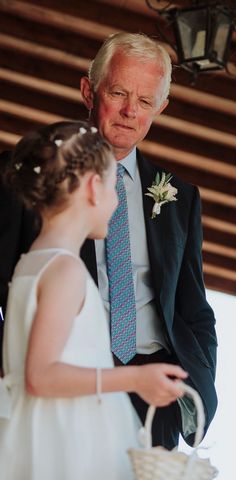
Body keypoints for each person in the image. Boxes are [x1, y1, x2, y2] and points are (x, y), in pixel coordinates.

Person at [0, 32, 217, 449]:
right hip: (62, 379)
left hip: (155, 392)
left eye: (146, 101)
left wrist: (199, 384)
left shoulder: (179, 197)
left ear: (161, 107)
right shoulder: (29, 177)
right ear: (89, 90)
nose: (129, 111)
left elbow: (193, 306)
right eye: (118, 92)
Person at [0, 121, 188, 479]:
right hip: (66, 444)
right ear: (92, 188)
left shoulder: (32, 264)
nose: (118, 200)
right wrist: (135, 379)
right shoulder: (64, 271)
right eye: (114, 185)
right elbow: (39, 376)